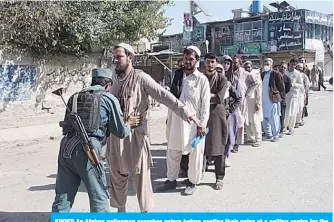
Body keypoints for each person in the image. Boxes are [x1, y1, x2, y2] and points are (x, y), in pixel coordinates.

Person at [105, 43, 200, 212]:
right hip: (115, 136)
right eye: (114, 57)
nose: (115, 60)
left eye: (118, 56)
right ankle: (121, 213)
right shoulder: (112, 79)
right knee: (117, 177)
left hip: (136, 136)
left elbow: (164, 96)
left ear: (130, 57)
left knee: (141, 179)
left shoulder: (140, 77)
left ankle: (145, 213)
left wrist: (187, 113)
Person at [51, 68, 139, 212]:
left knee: (63, 196)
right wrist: (129, 124)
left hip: (66, 147)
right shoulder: (108, 98)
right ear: (108, 85)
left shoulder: (75, 97)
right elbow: (121, 131)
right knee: (99, 196)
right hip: (87, 148)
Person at [157, 46, 210, 196]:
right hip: (175, 120)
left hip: (194, 124)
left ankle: (192, 181)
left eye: (191, 59)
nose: (187, 62)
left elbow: (205, 106)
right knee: (173, 151)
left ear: (197, 61)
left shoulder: (202, 80)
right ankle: (171, 180)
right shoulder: (178, 75)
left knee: (195, 153)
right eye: (186, 58)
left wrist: (202, 125)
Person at [202, 53, 229, 190]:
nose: (210, 64)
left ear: (216, 63)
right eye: (208, 61)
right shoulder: (200, 78)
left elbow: (220, 97)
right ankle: (197, 172)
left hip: (217, 115)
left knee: (218, 145)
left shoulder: (222, 79)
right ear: (204, 63)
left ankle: (219, 177)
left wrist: (204, 97)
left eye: (212, 62)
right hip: (201, 115)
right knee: (200, 145)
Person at [233, 55, 259, 149]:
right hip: (233, 100)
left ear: (240, 63)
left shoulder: (245, 73)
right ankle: (234, 141)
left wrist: (248, 93)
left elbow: (255, 83)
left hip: (242, 101)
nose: (234, 64)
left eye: (235, 62)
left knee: (241, 120)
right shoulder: (232, 73)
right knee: (235, 120)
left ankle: (238, 142)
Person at [222, 55, 241, 164]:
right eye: (224, 63)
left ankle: (226, 156)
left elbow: (238, 96)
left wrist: (231, 109)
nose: (226, 65)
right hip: (217, 111)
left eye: (228, 64)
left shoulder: (234, 79)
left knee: (229, 135)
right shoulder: (215, 76)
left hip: (230, 111)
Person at [261, 58, 285, 142]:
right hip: (263, 99)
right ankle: (268, 134)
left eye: (268, 64)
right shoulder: (263, 74)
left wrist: (279, 96)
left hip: (272, 99)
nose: (266, 65)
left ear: (271, 65)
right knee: (264, 117)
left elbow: (281, 87)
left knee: (274, 118)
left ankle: (276, 135)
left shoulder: (276, 74)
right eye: (265, 64)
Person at [244, 61, 263, 147]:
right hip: (245, 101)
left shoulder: (255, 75)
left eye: (249, 67)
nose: (247, 68)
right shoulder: (243, 74)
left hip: (253, 100)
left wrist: (258, 102)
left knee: (255, 120)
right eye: (246, 67)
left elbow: (258, 91)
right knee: (246, 120)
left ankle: (258, 138)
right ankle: (250, 138)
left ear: (251, 67)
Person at [284, 58, 304, 135]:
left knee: (292, 112)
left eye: (295, 65)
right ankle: (284, 126)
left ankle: (291, 128)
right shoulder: (285, 72)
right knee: (286, 112)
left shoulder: (297, 73)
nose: (293, 66)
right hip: (286, 94)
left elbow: (301, 85)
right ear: (289, 64)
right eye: (292, 64)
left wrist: (294, 84)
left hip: (294, 94)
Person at [278, 61, 291, 137]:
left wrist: (282, 94)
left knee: (282, 115)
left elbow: (288, 89)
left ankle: (280, 130)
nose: (283, 68)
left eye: (284, 68)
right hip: (274, 98)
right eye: (282, 67)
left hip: (282, 99)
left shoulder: (287, 79)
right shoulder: (274, 76)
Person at [296, 63, 310, 127]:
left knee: (300, 108)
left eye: (300, 67)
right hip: (294, 94)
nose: (299, 68)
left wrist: (306, 94)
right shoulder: (294, 74)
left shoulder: (304, 76)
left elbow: (307, 86)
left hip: (301, 94)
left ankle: (299, 121)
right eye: (298, 67)